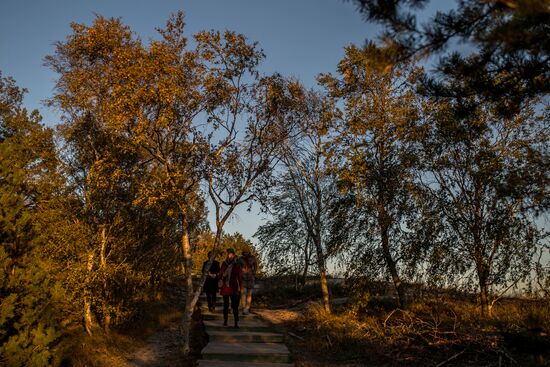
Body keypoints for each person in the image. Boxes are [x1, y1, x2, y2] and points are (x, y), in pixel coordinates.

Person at [219, 248, 243, 328]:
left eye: (231, 254)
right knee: (225, 305)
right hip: (226, 287)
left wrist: (241, 287)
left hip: (234, 287)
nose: (230, 255)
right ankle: (225, 321)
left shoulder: (237, 264)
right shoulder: (224, 263)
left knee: (235, 306)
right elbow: (221, 273)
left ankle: (236, 323)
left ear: (234, 254)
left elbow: (239, 277)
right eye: (229, 253)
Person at [239, 250, 257, 315]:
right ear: (243, 252)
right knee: (243, 293)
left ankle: (247, 308)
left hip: (250, 278)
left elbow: (255, 266)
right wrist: (241, 272)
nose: (246, 253)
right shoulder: (240, 259)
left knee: (249, 294)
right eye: (245, 252)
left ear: (249, 252)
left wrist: (254, 273)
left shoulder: (253, 258)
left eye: (247, 252)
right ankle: (243, 308)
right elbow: (238, 267)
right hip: (243, 278)